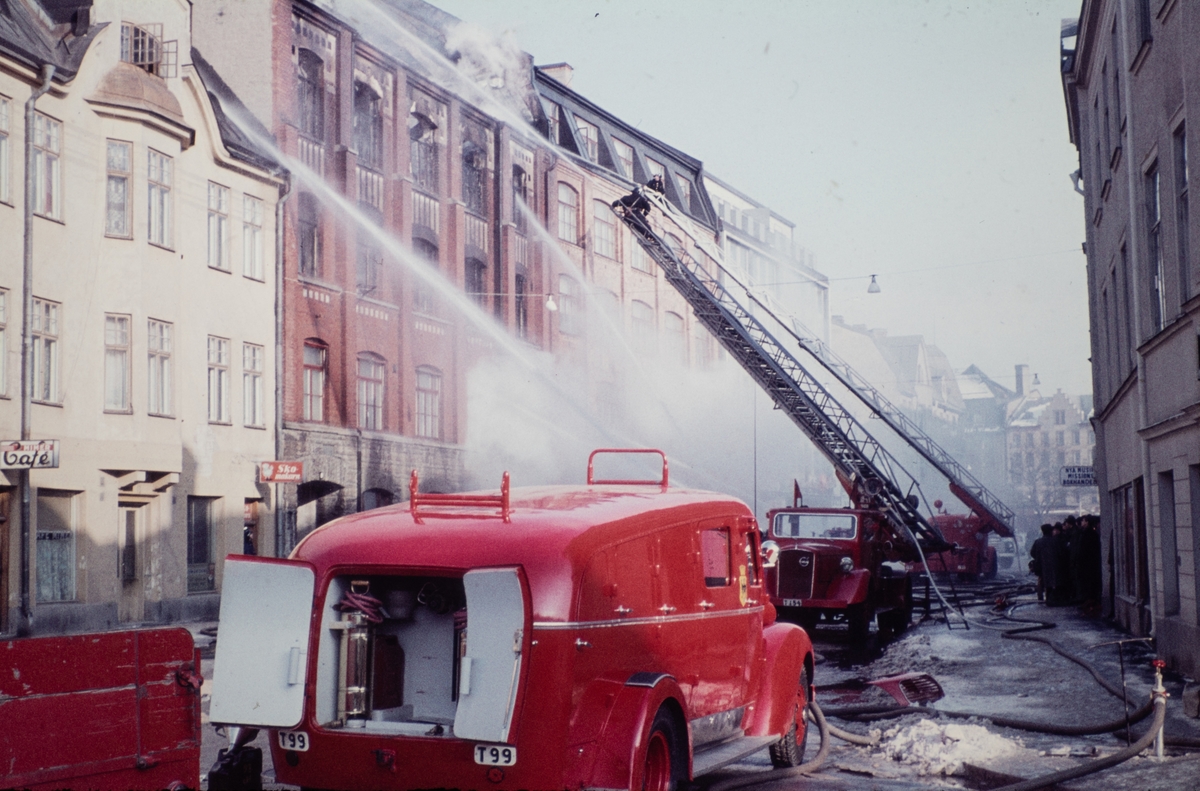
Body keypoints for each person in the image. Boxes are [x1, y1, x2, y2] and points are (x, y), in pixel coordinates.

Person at [1029, 524, 1052, 602]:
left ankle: (1040, 597)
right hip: (1051, 564)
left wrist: (1038, 558)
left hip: (1040, 564)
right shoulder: (1053, 541)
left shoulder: (1038, 542)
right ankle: (1049, 597)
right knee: (1050, 581)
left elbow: (1032, 552)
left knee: (1040, 580)